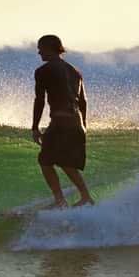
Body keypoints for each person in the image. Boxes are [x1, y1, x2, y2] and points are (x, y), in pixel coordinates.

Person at [31, 34, 94, 208]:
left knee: (45, 160)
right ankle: (86, 197)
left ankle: (60, 201)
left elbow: (39, 100)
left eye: (40, 48)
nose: (38, 52)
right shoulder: (75, 71)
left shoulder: (44, 70)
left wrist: (35, 127)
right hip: (77, 124)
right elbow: (83, 102)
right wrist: (84, 125)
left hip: (60, 122)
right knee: (66, 162)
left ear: (50, 48)